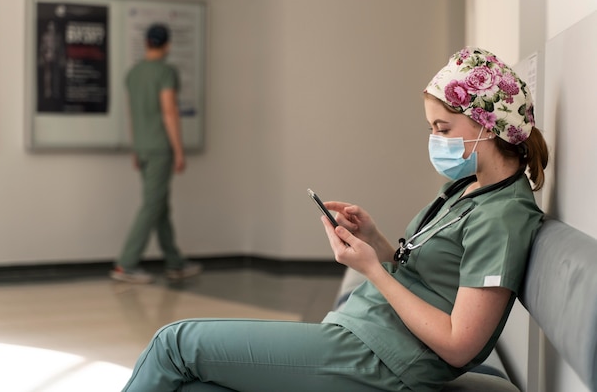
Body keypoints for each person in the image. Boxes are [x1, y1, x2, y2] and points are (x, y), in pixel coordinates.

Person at [120, 47, 549, 391]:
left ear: (487, 126)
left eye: (443, 128)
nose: (434, 140)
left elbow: (459, 345)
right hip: (366, 332)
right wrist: (376, 240)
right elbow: (426, 273)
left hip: (383, 361)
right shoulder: (467, 188)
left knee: (173, 344)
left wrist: (371, 271)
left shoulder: (504, 218)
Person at [110, 24, 202, 284]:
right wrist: (179, 150)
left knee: (159, 205)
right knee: (152, 205)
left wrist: (135, 147)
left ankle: (174, 262)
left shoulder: (133, 73)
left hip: (143, 147)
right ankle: (125, 264)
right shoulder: (166, 72)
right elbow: (169, 112)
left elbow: (132, 114)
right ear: (167, 45)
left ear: (147, 42)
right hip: (161, 148)